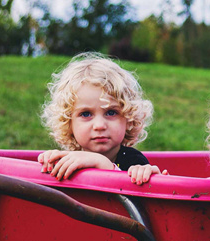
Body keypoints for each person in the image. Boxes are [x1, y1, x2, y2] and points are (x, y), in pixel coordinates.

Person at [38, 52, 160, 185]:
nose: (99, 125)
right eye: (86, 114)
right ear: (68, 123)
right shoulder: (71, 160)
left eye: (111, 112)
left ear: (128, 119)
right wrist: (51, 162)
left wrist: (102, 164)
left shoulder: (134, 162)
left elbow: (135, 202)